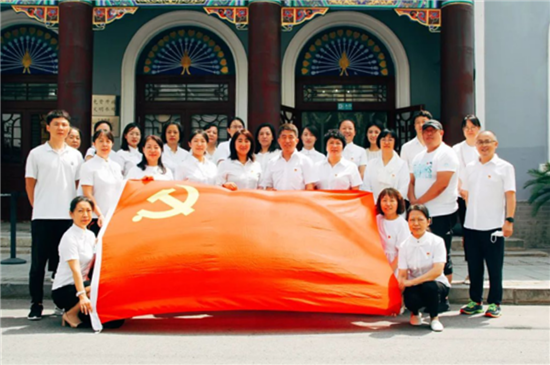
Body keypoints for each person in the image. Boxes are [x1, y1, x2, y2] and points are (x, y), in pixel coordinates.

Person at [25, 110, 84, 320]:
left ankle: (61, 304)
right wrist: (37, 207)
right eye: (57, 124)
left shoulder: (75, 155)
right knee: (38, 264)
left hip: (66, 218)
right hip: (43, 217)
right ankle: (36, 304)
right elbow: (30, 184)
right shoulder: (36, 154)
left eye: (64, 125)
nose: (61, 128)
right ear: (47, 127)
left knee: (64, 263)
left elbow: (78, 186)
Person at [459, 131, 516, 318]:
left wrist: (509, 220)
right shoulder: (470, 167)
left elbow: (510, 195)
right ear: (475, 145)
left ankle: (494, 302)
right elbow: (466, 194)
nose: (484, 145)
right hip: (472, 225)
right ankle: (475, 301)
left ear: (495, 144)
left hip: (493, 226)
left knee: (494, 266)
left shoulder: (504, 167)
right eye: (480, 142)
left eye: (487, 142)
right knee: (474, 266)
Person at [408, 120, 459, 295]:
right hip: (421, 212)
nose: (429, 134)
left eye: (433, 131)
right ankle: (425, 293)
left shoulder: (446, 154)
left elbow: (441, 184)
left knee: (442, 254)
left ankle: (443, 294)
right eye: (426, 131)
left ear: (441, 133)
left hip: (441, 212)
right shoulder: (419, 157)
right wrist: (413, 200)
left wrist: (419, 201)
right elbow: (411, 181)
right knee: (422, 253)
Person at [398, 204, 450, 332]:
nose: (416, 223)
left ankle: (434, 318)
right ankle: (415, 313)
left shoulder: (437, 241)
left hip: (436, 283)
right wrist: (400, 295)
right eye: (412, 220)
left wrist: (412, 282)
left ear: (428, 221)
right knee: (410, 295)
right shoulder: (404, 245)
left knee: (429, 286)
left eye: (420, 219)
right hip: (414, 284)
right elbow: (403, 273)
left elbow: (437, 270)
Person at [51, 196, 95, 328]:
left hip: (83, 286)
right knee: (99, 287)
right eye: (80, 211)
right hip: (65, 289)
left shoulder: (91, 235)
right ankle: (71, 313)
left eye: (88, 210)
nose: (85, 215)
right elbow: (75, 269)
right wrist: (82, 296)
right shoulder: (69, 238)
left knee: (113, 323)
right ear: (71, 214)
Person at [453, 114, 482, 284]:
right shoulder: (457, 149)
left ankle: (479, 270)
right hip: (463, 197)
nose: (470, 131)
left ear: (478, 128)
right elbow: (456, 173)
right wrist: (462, 190)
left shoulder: (484, 147)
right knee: (468, 236)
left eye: (473, 127)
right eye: (467, 128)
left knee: (481, 235)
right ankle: (472, 270)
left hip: (481, 198)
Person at [79, 130, 124, 236]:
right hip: (96, 217)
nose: (104, 144)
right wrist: (100, 214)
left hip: (114, 217)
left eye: (108, 141)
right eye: (100, 141)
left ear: (112, 144)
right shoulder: (88, 166)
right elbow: (87, 194)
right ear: (94, 144)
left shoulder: (116, 166)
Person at [260, 124, 317, 191]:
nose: (287, 141)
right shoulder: (272, 162)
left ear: (297, 141)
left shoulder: (305, 161)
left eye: (290, 137)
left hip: (298, 201)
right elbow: (267, 185)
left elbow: (310, 187)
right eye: (284, 137)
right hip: (277, 200)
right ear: (279, 141)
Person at [363, 129, 410, 202]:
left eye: (390, 140)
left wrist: (389, 203)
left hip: (394, 207)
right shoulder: (371, 164)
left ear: (395, 142)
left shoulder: (402, 164)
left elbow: (403, 190)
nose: (386, 142)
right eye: (383, 140)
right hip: (373, 206)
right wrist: (377, 204)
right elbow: (366, 187)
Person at [376, 188, 409, 276]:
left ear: (398, 203)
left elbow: (402, 253)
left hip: (395, 264)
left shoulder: (402, 224)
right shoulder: (377, 219)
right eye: (384, 200)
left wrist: (389, 271)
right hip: (377, 261)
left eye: (392, 200)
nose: (388, 204)